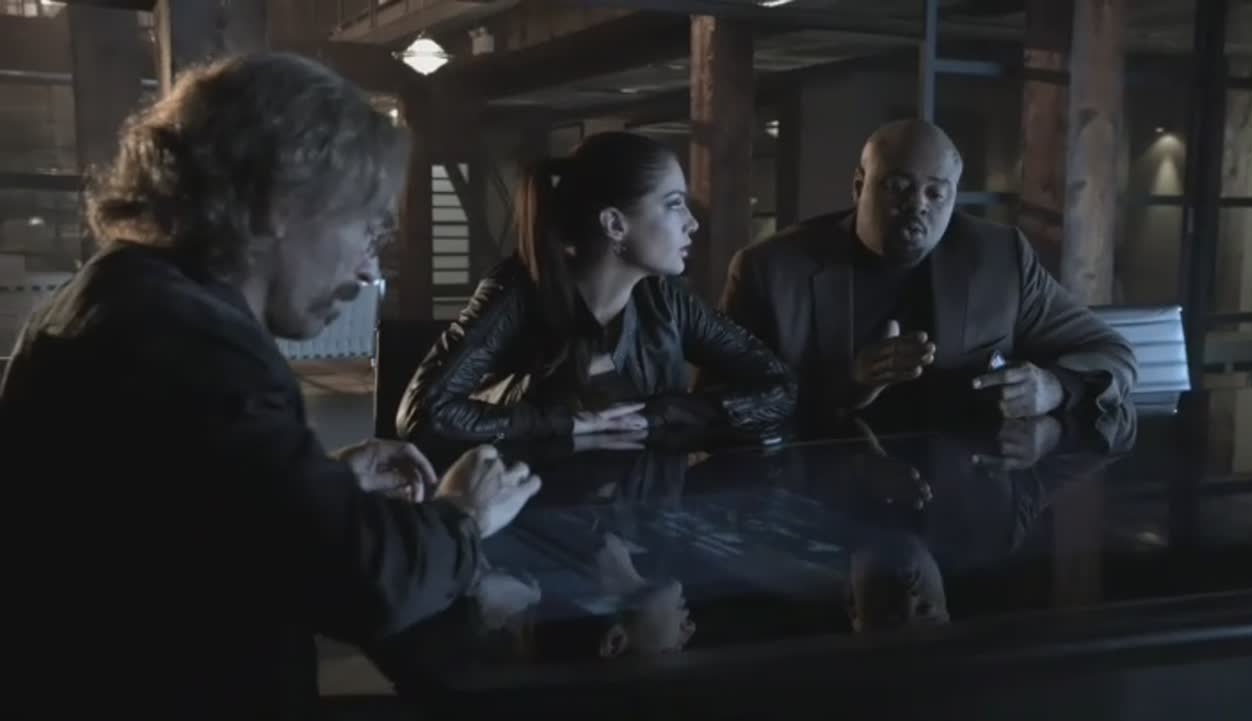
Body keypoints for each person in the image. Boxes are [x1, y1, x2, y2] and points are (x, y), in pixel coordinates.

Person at [0, 53, 540, 719]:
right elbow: (361, 581)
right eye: (367, 227)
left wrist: (320, 478)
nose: (370, 269)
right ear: (285, 201)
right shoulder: (194, 343)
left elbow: (178, 519)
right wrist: (462, 516)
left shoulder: (112, 294)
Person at [718, 118, 1136, 431]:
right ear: (859, 186)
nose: (918, 205)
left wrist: (1054, 388)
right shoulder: (770, 270)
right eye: (898, 186)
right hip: (814, 497)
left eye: (936, 193)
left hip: (960, 497)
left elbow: (1111, 352)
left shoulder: (998, 258)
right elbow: (720, 406)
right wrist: (848, 382)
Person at [396, 131, 797, 445]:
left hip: (646, 510)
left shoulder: (667, 301)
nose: (692, 223)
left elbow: (778, 386)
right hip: (533, 506)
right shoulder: (516, 290)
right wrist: (567, 423)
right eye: (674, 203)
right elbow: (423, 415)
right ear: (615, 224)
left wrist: (658, 415)